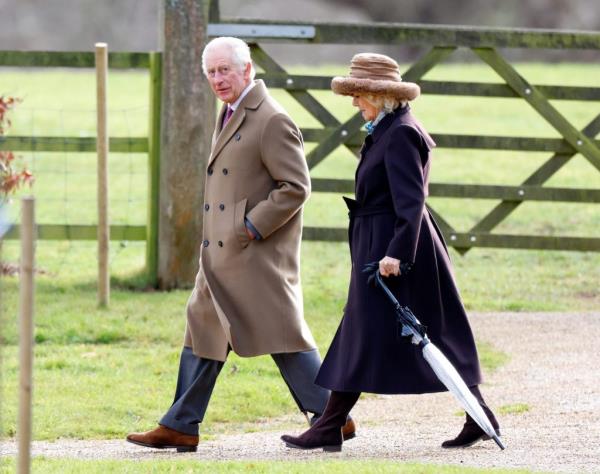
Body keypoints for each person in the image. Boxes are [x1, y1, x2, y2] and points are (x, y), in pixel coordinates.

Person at [126, 37, 355, 452]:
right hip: (219, 255)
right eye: (211, 72)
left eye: (224, 71)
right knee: (203, 328)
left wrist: (250, 226)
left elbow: (296, 186)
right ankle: (180, 424)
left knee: (282, 337)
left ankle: (332, 416)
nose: (217, 79)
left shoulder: (270, 118)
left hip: (253, 256)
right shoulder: (231, 111)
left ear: (246, 69)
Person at [281, 53, 500, 452]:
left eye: (358, 94)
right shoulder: (387, 129)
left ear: (379, 96)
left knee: (395, 332)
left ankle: (330, 425)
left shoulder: (400, 133)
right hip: (382, 244)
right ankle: (332, 424)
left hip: (396, 251)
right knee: (367, 332)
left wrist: (396, 254)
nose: (354, 103)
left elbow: (412, 201)